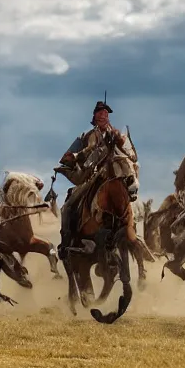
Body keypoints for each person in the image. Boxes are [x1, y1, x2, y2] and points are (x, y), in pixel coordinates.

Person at [55, 100, 138, 258]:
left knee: (129, 200)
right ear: (94, 116)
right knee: (68, 206)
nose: (103, 115)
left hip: (115, 175)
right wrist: (74, 157)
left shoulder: (117, 134)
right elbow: (79, 154)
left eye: (105, 113)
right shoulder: (88, 136)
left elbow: (133, 155)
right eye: (100, 113)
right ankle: (66, 243)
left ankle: (133, 236)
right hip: (92, 176)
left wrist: (120, 141)